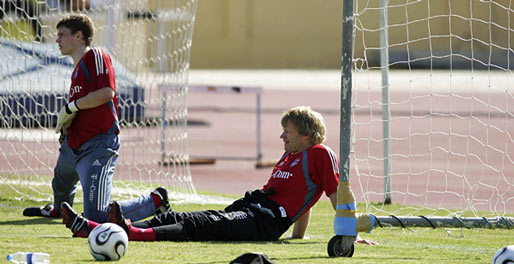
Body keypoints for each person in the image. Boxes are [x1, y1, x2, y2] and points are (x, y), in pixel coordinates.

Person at [60, 106, 377, 245]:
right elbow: (305, 199)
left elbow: (332, 192)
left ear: (307, 134)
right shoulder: (292, 155)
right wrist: (299, 237)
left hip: (264, 221)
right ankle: (98, 228)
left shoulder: (319, 154)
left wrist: (348, 231)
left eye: (288, 132)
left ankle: (130, 233)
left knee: (203, 225)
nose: (282, 137)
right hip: (252, 208)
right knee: (188, 216)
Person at [22, 13, 169, 223]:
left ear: (79, 36)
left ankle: (156, 200)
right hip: (73, 145)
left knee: (96, 217)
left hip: (97, 146)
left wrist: (71, 107)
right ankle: (57, 210)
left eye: (62, 35)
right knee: (61, 182)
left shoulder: (96, 55)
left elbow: (106, 93)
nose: (57, 40)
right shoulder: (76, 70)